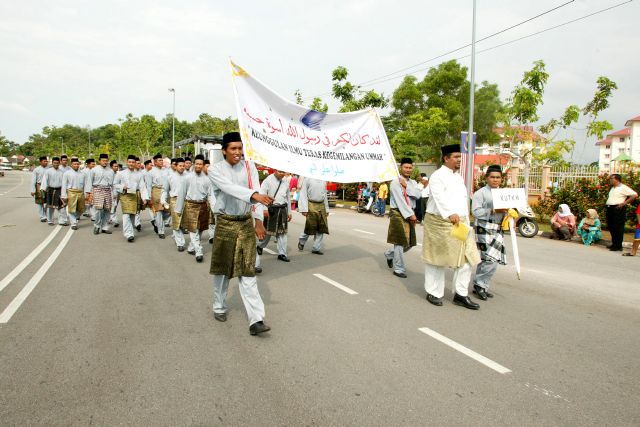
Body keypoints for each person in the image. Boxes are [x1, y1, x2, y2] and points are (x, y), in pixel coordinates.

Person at [207, 132, 273, 335]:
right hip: (225, 223)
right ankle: (219, 305)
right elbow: (229, 188)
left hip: (245, 223)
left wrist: (258, 220)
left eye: (240, 148)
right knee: (223, 270)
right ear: (224, 150)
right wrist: (254, 195)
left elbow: (256, 192)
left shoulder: (249, 167)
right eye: (233, 148)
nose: (237, 152)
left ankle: (256, 320)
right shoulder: (215, 170)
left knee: (247, 271)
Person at [422, 144, 481, 310]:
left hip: (460, 223)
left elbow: (462, 200)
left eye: (460, 157)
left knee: (467, 258)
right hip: (439, 222)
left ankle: (460, 294)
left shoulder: (458, 177)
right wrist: (449, 213)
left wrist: (466, 219)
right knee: (437, 259)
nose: (459, 160)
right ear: (446, 158)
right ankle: (434, 292)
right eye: (456, 157)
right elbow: (439, 197)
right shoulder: (437, 176)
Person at [471, 165, 508, 301]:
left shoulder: (504, 194)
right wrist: (493, 210)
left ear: (501, 179)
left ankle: (482, 285)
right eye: (492, 177)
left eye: (498, 177)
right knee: (489, 259)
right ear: (486, 178)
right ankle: (480, 284)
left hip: (497, 228)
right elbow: (475, 212)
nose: (495, 180)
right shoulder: (480, 193)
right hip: (483, 227)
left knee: (491, 259)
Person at [384, 158, 418, 278]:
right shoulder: (395, 182)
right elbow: (400, 201)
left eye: (410, 167)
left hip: (410, 212)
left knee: (410, 243)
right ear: (401, 168)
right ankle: (399, 269)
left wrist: (406, 186)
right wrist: (410, 215)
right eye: (406, 167)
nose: (408, 170)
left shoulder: (413, 182)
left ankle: (390, 254)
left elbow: (418, 195)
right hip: (398, 213)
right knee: (399, 242)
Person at [177, 155, 213, 262]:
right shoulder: (187, 178)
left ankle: (191, 247)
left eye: (200, 164)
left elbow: (211, 195)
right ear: (194, 164)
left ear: (203, 166)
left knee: (200, 229)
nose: (198, 166)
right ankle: (199, 251)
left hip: (203, 206)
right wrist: (178, 209)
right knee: (193, 229)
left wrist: (214, 208)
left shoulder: (207, 179)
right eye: (196, 164)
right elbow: (182, 193)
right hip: (191, 206)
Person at [256, 169, 292, 272]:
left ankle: (282, 254)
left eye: (283, 172)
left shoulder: (285, 181)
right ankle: (260, 246)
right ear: (275, 171)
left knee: (282, 232)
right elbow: (262, 195)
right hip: (271, 210)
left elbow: (288, 198)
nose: (282, 174)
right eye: (280, 172)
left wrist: (289, 212)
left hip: (282, 209)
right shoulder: (268, 180)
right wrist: (264, 209)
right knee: (268, 232)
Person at [114, 155, 149, 242]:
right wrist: (122, 187)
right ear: (127, 162)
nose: (131, 164)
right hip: (125, 195)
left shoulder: (139, 174)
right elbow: (115, 184)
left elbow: (142, 187)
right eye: (129, 162)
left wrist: (144, 198)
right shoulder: (120, 173)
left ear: (135, 163)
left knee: (133, 214)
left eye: (133, 162)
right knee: (126, 214)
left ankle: (130, 231)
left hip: (135, 195)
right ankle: (128, 234)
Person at [605, 174, 638, 251]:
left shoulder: (623, 187)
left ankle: (618, 246)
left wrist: (624, 203)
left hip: (618, 208)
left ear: (617, 179)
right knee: (611, 226)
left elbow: (635, 195)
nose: (610, 180)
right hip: (610, 208)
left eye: (612, 178)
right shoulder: (613, 188)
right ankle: (614, 243)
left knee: (618, 227)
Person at [85, 153, 115, 235]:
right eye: (103, 160)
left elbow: (113, 183)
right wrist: (88, 192)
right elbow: (89, 181)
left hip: (107, 190)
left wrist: (114, 193)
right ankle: (97, 225)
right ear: (99, 161)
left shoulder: (110, 171)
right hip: (97, 190)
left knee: (107, 209)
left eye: (106, 160)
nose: (105, 162)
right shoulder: (94, 170)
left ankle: (105, 227)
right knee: (98, 209)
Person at [298, 177, 329, 255]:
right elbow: (303, 194)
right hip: (311, 205)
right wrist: (304, 209)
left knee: (321, 227)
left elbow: (325, 195)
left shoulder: (323, 180)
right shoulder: (307, 179)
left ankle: (316, 248)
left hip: (321, 205)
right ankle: (302, 240)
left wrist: (327, 209)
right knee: (310, 226)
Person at [162, 157, 187, 252]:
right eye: (180, 165)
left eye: (183, 166)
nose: (182, 167)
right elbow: (165, 190)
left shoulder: (188, 177)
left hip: (186, 201)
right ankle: (180, 243)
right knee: (176, 221)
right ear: (176, 166)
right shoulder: (170, 177)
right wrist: (163, 201)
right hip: (174, 200)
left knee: (184, 222)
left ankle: (175, 236)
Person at [41, 156, 68, 226]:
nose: (56, 164)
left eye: (57, 163)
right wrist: (43, 190)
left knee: (62, 206)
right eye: (54, 163)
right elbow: (44, 181)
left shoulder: (62, 172)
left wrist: (65, 191)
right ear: (52, 163)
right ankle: (50, 221)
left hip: (60, 190)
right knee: (50, 207)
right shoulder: (48, 171)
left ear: (59, 163)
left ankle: (62, 221)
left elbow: (64, 182)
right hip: (50, 190)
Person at [61, 158, 86, 230]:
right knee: (71, 209)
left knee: (82, 209)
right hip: (71, 192)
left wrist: (87, 193)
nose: (76, 165)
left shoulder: (83, 174)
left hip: (80, 192)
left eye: (77, 164)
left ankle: (75, 217)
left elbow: (86, 184)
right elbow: (64, 184)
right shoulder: (67, 173)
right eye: (74, 164)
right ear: (71, 165)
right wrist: (64, 195)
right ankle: (74, 224)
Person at [150, 153, 169, 239]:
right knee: (159, 211)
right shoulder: (151, 172)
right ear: (155, 162)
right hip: (156, 191)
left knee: (168, 210)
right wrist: (149, 197)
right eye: (159, 160)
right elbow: (148, 185)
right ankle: (161, 231)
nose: (161, 162)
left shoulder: (166, 170)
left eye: (162, 160)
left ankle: (155, 222)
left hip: (166, 191)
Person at [30, 156, 48, 222]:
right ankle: (42, 216)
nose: (46, 162)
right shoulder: (36, 170)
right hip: (39, 186)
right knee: (40, 202)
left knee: (48, 202)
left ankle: (45, 214)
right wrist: (32, 190)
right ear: (40, 162)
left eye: (46, 161)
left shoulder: (49, 169)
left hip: (47, 187)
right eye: (44, 161)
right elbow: (33, 181)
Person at [108, 160, 121, 228]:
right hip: (110, 192)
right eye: (115, 166)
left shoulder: (119, 173)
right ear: (111, 167)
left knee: (115, 206)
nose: (116, 167)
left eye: (117, 166)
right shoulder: (109, 174)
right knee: (113, 206)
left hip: (118, 192)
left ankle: (110, 218)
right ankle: (114, 220)